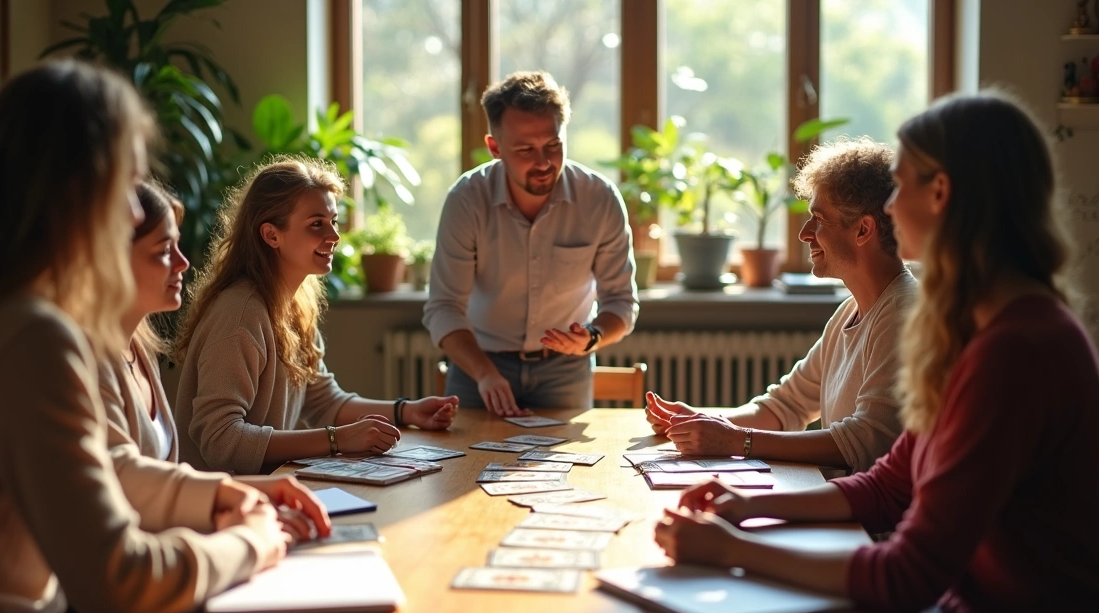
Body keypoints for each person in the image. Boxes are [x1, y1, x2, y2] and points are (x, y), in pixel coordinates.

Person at [654, 92, 1099, 613]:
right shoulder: (973, 326)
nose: (889, 207)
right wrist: (744, 506)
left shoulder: (1018, 348)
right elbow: (888, 485)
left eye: (902, 183)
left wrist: (732, 551)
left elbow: (907, 575)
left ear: (941, 194)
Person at [0, 61, 288, 613]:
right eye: (125, 184)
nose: (132, 210)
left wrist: (213, 493)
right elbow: (121, 581)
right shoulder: (29, 335)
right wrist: (251, 544)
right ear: (79, 193)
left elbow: (96, 466)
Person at [175, 156, 459, 474]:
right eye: (316, 224)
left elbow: (325, 402)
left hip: (267, 492)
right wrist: (336, 440)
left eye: (333, 221)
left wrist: (407, 411)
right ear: (271, 235)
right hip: (221, 510)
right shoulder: (241, 316)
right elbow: (220, 442)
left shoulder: (293, 303)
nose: (334, 236)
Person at [647, 138, 915, 473]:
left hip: (871, 525)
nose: (805, 233)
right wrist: (702, 421)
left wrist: (735, 441)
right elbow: (784, 406)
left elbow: (866, 442)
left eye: (818, 218)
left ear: (863, 229)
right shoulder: (849, 312)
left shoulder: (905, 315)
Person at [100, 180, 330, 543]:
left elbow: (163, 481)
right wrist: (244, 523)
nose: (183, 262)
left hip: (183, 537)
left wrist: (257, 495)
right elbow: (125, 486)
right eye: (164, 250)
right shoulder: (240, 313)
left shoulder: (141, 347)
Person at [423, 70, 639, 416]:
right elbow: (443, 307)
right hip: (479, 364)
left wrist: (593, 337)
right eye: (525, 149)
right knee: (463, 467)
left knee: (568, 469)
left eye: (553, 145)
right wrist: (485, 375)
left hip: (566, 369)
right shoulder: (467, 199)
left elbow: (621, 303)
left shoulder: (599, 199)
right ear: (495, 148)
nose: (543, 162)